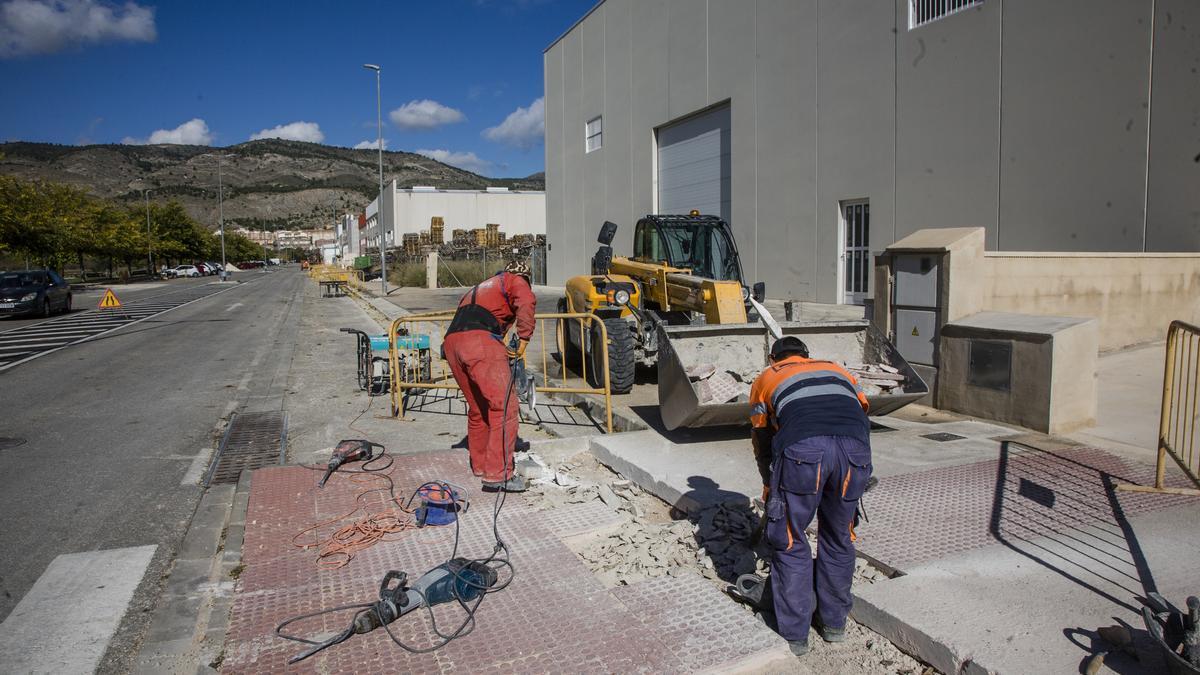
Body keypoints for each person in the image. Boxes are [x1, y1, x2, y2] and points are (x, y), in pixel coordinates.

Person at [748, 336, 872, 656]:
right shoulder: (837, 370)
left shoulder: (767, 376)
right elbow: (861, 412)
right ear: (807, 355)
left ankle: (794, 635)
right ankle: (834, 624)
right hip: (855, 453)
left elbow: (762, 437)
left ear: (774, 358)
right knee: (840, 536)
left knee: (789, 540)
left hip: (805, 453)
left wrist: (769, 486)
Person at [442, 259, 536, 492]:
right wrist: (523, 338)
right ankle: (499, 474)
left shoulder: (481, 287)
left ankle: (481, 465)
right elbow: (526, 301)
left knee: (478, 408)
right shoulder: (516, 280)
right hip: (479, 341)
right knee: (505, 407)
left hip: (452, 344)